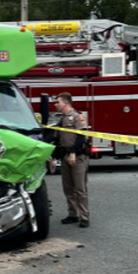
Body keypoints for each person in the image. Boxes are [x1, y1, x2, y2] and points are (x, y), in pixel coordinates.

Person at [48, 92, 90, 227]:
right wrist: (51, 157)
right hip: (65, 156)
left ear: (65, 103)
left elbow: (81, 136)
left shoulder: (77, 116)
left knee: (80, 188)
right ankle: (73, 214)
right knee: (68, 188)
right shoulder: (62, 119)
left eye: (57, 102)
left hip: (77, 157)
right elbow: (56, 139)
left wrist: (73, 152)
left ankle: (84, 217)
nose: (55, 105)